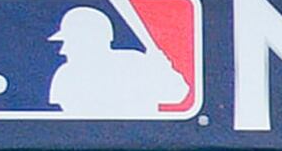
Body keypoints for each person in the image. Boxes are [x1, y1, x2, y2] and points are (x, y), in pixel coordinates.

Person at [44, 7, 185, 119]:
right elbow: (65, 124)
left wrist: (163, 70)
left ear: (90, 41)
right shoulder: (67, 75)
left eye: (71, 42)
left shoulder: (136, 63)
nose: (63, 50)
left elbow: (178, 94)